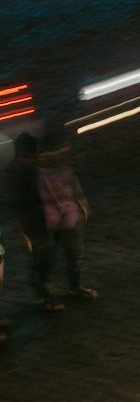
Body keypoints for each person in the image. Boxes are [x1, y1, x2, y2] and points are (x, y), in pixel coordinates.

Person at [36, 130, 96, 301]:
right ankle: (45, 292)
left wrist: (82, 204)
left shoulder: (61, 165)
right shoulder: (39, 171)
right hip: (52, 220)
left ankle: (73, 286)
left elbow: (73, 184)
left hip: (68, 216)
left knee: (73, 253)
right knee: (51, 257)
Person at [3, 133, 61, 310]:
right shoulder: (13, 175)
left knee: (46, 258)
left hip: (43, 219)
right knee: (40, 260)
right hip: (31, 223)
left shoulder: (30, 169)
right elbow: (12, 207)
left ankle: (42, 292)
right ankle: (43, 295)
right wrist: (21, 234)